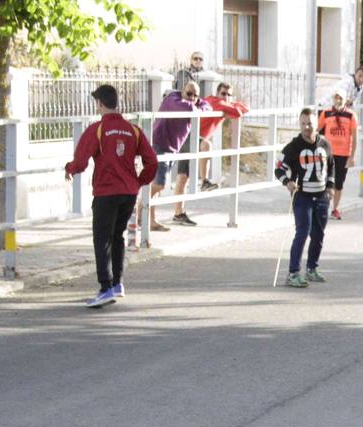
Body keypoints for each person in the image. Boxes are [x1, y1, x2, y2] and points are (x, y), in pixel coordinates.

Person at [64, 85, 158, 309]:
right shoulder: (133, 130)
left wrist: (70, 169)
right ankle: (117, 283)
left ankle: (105, 288)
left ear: (100, 104)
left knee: (102, 238)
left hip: (106, 192)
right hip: (128, 192)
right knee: (118, 236)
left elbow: (81, 159)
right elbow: (152, 161)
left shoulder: (98, 129)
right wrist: (139, 181)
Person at [274, 108, 334, 288]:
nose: (307, 127)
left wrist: (330, 187)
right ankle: (293, 273)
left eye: (310, 123)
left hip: (322, 196)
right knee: (303, 232)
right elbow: (278, 168)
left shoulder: (324, 144)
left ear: (317, 124)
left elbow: (331, 167)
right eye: (303, 124)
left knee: (318, 234)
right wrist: (288, 182)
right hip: (302, 197)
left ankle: (312, 268)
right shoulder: (293, 147)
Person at [149, 81, 210, 230]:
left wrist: (199, 104)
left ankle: (150, 220)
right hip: (159, 145)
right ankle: (138, 204)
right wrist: (197, 105)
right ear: (182, 91)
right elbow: (190, 109)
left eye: (195, 95)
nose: (191, 97)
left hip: (172, 148)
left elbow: (207, 107)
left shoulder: (191, 102)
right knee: (159, 184)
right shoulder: (172, 100)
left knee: (156, 184)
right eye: (189, 94)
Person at [199, 82, 250, 191]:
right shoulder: (216, 102)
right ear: (217, 93)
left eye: (229, 95)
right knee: (206, 145)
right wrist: (231, 107)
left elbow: (246, 107)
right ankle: (204, 181)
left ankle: (204, 182)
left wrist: (231, 105)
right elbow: (238, 113)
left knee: (205, 145)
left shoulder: (221, 103)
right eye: (223, 93)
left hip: (199, 137)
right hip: (191, 135)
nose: (226, 97)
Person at [317, 89, 357, 219]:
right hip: (328, 153)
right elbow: (317, 130)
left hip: (343, 154)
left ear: (345, 100)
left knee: (339, 183)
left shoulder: (351, 116)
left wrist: (352, 156)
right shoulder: (326, 113)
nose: (338, 101)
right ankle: (323, 206)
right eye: (336, 98)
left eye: (340, 98)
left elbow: (355, 136)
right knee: (325, 180)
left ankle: (335, 209)